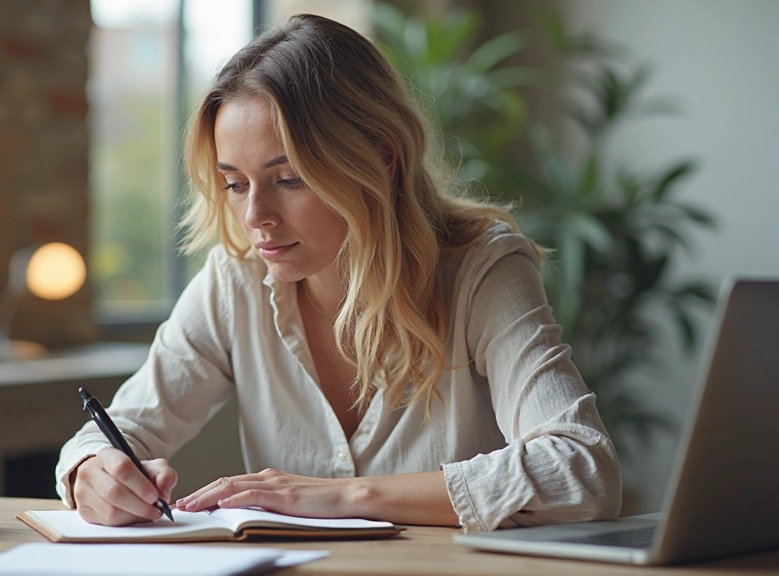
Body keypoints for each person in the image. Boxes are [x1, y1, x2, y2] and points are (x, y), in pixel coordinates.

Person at [57, 14, 621, 533]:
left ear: (381, 159)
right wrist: (95, 471)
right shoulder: (235, 282)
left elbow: (582, 466)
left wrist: (344, 496)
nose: (255, 217)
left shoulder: (482, 272)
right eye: (235, 183)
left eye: (289, 179)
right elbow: (117, 430)